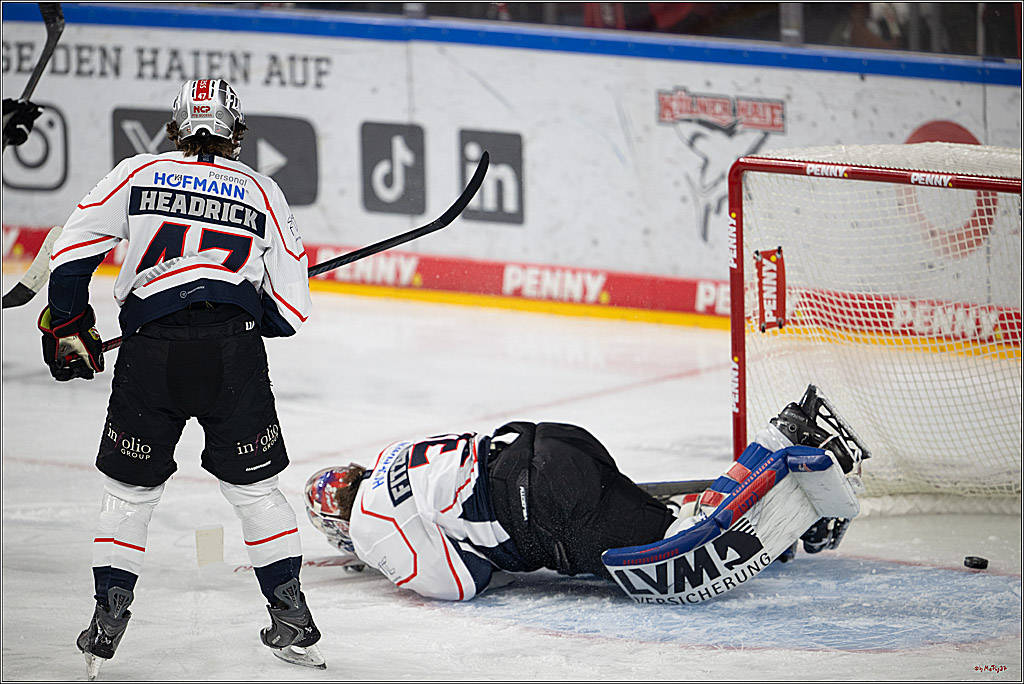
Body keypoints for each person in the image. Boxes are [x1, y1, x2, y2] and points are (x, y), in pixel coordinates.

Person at [37, 79, 323, 676]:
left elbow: (69, 253)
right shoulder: (263, 191)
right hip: (233, 356)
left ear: (174, 126)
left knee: (129, 494)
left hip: (151, 352)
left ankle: (108, 619)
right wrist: (248, 309)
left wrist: (69, 322)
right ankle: (290, 612)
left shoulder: (136, 172)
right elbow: (292, 313)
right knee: (255, 491)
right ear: (235, 131)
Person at [304, 387, 863, 602]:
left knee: (682, 557)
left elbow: (457, 585)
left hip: (538, 502)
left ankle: (783, 436)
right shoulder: (392, 456)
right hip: (549, 444)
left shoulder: (367, 525)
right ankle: (792, 520)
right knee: (657, 521)